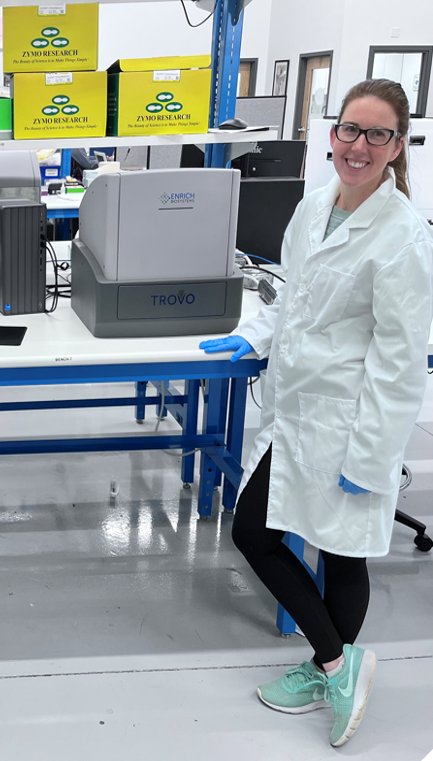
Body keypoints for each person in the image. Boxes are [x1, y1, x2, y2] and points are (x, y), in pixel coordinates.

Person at [200, 78, 432, 747]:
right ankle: (336, 660)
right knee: (258, 529)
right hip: (298, 406)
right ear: (331, 134)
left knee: (339, 548)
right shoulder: (312, 206)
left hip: (350, 417)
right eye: (348, 130)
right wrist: (251, 336)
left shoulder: (403, 237)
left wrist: (372, 455)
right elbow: (291, 299)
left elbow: (398, 361)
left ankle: (326, 662)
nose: (358, 145)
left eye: (376, 134)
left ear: (397, 146)